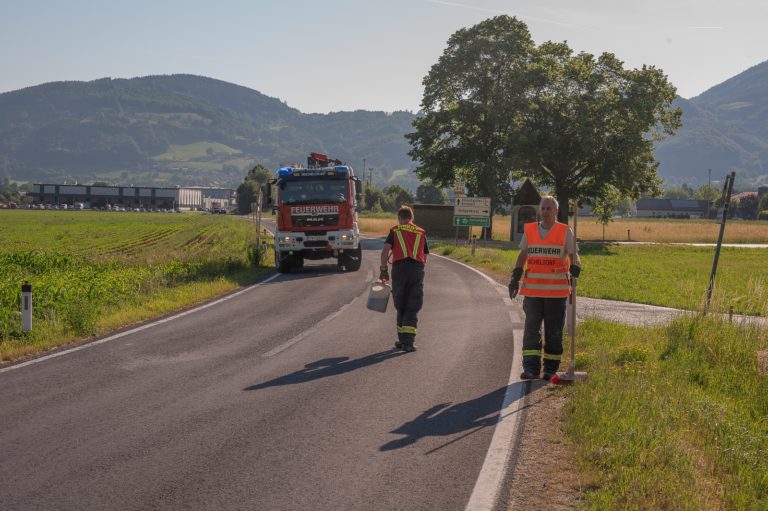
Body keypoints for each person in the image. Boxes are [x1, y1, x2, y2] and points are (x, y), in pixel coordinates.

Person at [508, 196, 581, 380]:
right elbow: (523, 254)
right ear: (539, 210)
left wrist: (576, 266)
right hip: (532, 291)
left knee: (553, 332)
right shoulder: (530, 230)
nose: (546, 211)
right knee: (531, 330)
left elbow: (574, 255)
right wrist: (515, 277)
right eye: (543, 208)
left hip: (556, 293)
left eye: (549, 208)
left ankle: (550, 368)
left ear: (556, 211)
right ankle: (531, 368)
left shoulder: (565, 231)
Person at [379, 205, 429, 353]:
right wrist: (418, 269)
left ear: (399, 218)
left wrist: (383, 270)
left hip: (399, 269)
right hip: (416, 269)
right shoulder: (421, 232)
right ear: (412, 218)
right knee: (412, 304)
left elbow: (385, 251)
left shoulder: (395, 230)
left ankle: (403, 340)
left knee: (400, 303)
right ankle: (407, 342)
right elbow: (425, 255)